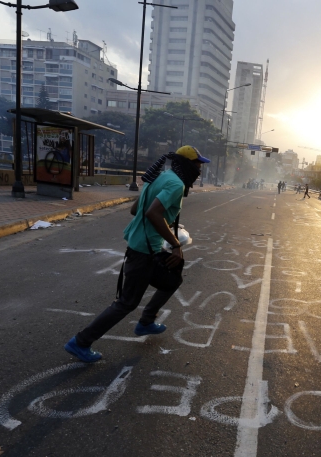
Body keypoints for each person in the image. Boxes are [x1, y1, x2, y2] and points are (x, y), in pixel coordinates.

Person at [64, 146, 211, 362]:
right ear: (188, 165)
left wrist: (165, 224)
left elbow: (136, 209)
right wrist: (175, 245)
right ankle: (81, 342)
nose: (199, 169)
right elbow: (152, 213)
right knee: (127, 303)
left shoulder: (161, 177)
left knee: (172, 280)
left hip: (144, 244)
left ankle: (146, 321)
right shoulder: (176, 184)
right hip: (144, 250)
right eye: (198, 164)